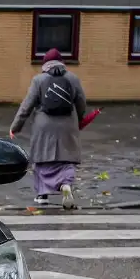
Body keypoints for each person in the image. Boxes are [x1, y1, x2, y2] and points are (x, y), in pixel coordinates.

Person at [10, 47, 87, 210]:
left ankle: (42, 195)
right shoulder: (73, 78)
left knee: (42, 159)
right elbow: (81, 103)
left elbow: (27, 106)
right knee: (66, 159)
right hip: (68, 125)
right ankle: (65, 185)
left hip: (44, 125)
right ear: (61, 63)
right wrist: (78, 120)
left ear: (45, 63)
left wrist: (16, 126)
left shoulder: (39, 80)